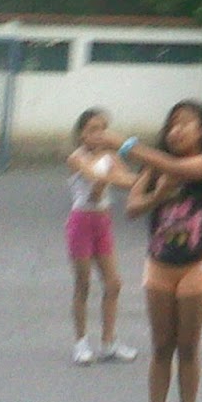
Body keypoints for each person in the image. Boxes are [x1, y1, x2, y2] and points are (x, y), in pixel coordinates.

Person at [122, 101, 202, 402]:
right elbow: (132, 207)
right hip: (160, 265)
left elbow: (179, 168)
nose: (177, 130)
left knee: (188, 347)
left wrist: (125, 145)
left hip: (196, 266)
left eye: (186, 123)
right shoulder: (154, 167)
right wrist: (160, 194)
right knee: (161, 346)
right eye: (172, 124)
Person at [66, 108, 140, 365]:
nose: (99, 135)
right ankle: (81, 343)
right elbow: (94, 178)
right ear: (81, 134)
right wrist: (116, 177)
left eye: (103, 130)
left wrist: (145, 177)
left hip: (102, 222)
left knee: (113, 284)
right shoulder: (76, 157)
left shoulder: (110, 156)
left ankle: (109, 343)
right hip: (81, 223)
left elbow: (129, 180)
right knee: (83, 284)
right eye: (92, 130)